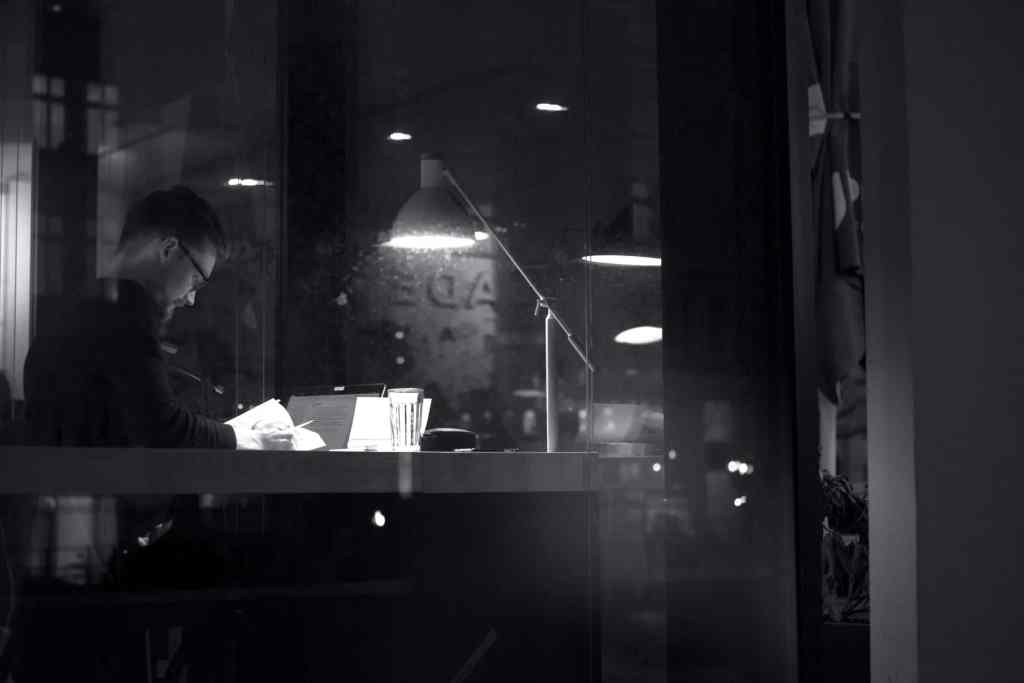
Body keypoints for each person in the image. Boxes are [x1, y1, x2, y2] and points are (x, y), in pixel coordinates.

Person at [23, 185, 292, 450]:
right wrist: (248, 437)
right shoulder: (125, 318)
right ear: (168, 249)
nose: (191, 298)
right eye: (196, 281)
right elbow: (163, 428)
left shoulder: (73, 308)